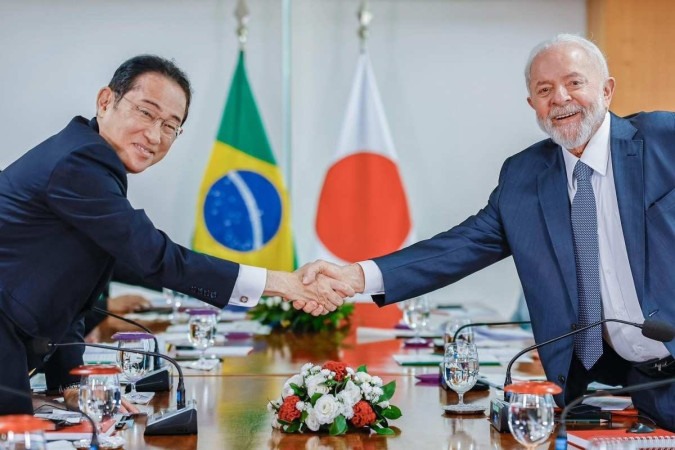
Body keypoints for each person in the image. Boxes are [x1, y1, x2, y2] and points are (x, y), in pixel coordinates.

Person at [300, 34, 675, 430]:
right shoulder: (525, 177)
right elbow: (459, 246)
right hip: (640, 385)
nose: (560, 98)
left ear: (607, 89)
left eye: (575, 82)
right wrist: (355, 276)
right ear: (533, 105)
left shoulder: (664, 140)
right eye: (544, 90)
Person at [0, 55, 352, 414]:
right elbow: (154, 257)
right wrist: (282, 283)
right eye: (146, 113)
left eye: (171, 126)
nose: (155, 135)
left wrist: (70, 386)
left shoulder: (89, 159)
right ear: (106, 101)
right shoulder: (79, 164)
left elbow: (70, 297)